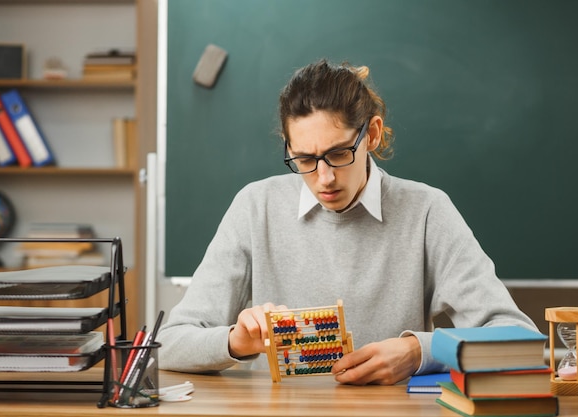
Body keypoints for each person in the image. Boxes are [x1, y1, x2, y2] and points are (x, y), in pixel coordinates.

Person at [157, 59, 537, 385]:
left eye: (338, 153)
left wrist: (418, 351)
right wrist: (235, 342)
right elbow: (169, 343)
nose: (324, 178)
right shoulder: (256, 206)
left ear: (371, 134)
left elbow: (521, 342)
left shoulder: (426, 211)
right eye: (304, 159)